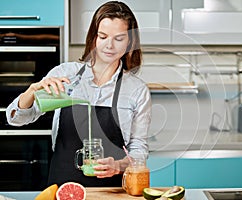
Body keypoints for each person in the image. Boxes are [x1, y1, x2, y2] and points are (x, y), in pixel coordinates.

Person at [6, 1, 151, 187]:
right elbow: (16, 119)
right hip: (63, 186)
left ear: (130, 42)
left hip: (112, 191)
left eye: (119, 39)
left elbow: (138, 150)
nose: (109, 45)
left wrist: (119, 165)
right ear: (94, 37)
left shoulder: (137, 90)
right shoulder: (64, 75)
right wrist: (33, 90)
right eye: (103, 36)